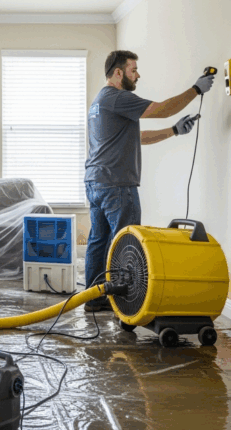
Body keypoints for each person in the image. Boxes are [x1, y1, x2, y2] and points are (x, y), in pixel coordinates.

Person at [83, 50, 214, 312]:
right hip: (117, 184)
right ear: (118, 73)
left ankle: (94, 298)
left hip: (96, 182)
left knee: (99, 241)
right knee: (126, 243)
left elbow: (137, 138)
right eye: (133, 70)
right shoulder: (118, 97)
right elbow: (162, 109)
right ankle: (125, 303)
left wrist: (174, 131)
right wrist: (195, 90)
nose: (138, 74)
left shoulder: (100, 101)